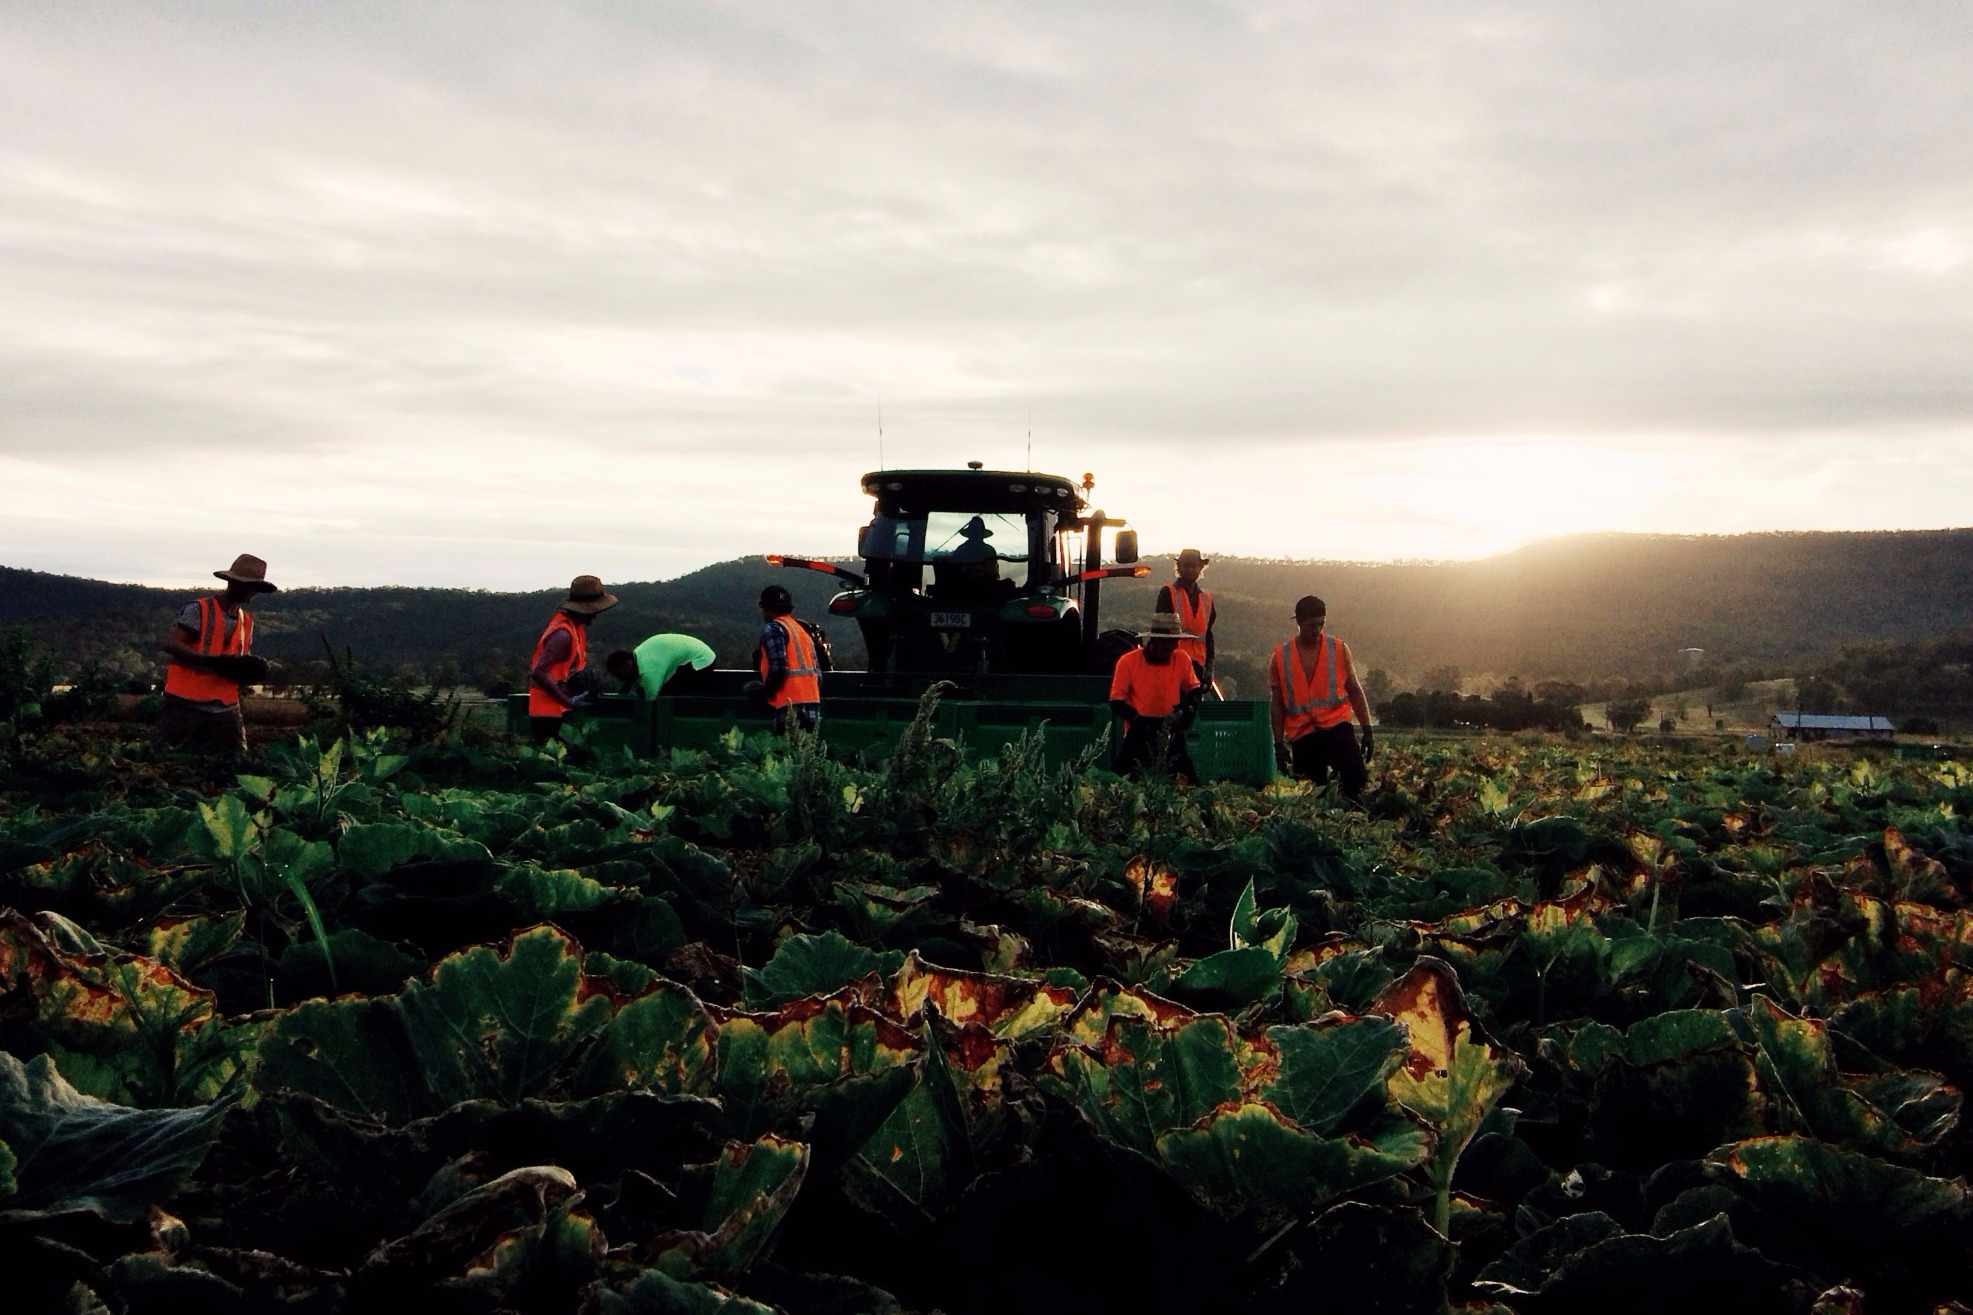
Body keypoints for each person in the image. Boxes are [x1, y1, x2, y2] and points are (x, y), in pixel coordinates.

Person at [158, 553, 277, 755]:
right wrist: (210, 662)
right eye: (249, 586)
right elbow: (171, 644)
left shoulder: (246, 621)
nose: (253, 592)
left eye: (256, 587)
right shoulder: (199, 609)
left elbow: (238, 661)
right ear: (233, 583)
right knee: (172, 763)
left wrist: (246, 672)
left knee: (234, 765)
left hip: (225, 706)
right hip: (184, 703)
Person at [1269, 594, 1375, 799]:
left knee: (1357, 786)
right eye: (1311, 625)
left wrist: (1367, 729)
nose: (1317, 630)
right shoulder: (1280, 657)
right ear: (1299, 623)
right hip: (1302, 734)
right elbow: (1277, 703)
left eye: (1321, 624)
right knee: (1311, 797)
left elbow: (1354, 689)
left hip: (1337, 728)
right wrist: (1278, 744)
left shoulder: (1338, 649)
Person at [1109, 613, 1204, 780]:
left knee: (1188, 782)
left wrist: (1185, 714)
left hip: (1171, 731)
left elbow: (1194, 691)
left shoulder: (1181, 658)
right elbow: (1116, 701)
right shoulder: (1128, 662)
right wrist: (1137, 719)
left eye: (1175, 643)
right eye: (1168, 644)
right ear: (1154, 641)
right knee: (1124, 781)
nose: (1171, 648)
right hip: (1139, 732)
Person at [527, 574, 618, 741]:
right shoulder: (562, 635)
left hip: (557, 708)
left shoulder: (573, 628)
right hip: (548, 713)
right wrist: (568, 702)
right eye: (594, 610)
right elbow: (539, 673)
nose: (595, 615)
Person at [754, 584, 822, 733]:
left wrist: (765, 691)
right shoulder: (802, 631)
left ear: (766, 608)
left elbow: (778, 668)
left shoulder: (773, 628)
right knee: (804, 754)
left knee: (786, 753)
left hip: (789, 705)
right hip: (812, 703)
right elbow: (818, 674)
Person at [1155, 547, 1218, 695]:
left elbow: (1208, 636)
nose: (1190, 570)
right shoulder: (1168, 593)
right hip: (1173, 665)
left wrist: (1209, 669)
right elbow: (1160, 634)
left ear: (1201, 567)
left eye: (1194, 566)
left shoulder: (1207, 599)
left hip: (1198, 668)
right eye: (1186, 566)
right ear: (1179, 567)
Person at [605, 633, 717, 699]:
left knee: (667, 698)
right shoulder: (638, 655)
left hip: (701, 661)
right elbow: (632, 679)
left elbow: (651, 699)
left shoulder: (649, 669)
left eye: (619, 674)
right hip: (694, 656)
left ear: (627, 665)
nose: (619, 677)